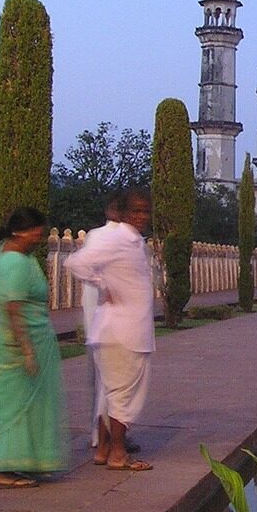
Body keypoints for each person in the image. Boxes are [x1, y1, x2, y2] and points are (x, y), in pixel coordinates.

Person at [0, 207, 65, 489]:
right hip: (10, 344)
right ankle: (6, 470)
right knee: (15, 405)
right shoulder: (14, 262)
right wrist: (27, 350)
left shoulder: (0, 252)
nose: (39, 238)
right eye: (36, 232)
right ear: (19, 232)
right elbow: (13, 308)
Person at [64, 189, 155, 472]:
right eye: (136, 211)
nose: (141, 217)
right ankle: (118, 453)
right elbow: (75, 263)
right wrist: (102, 284)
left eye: (145, 211)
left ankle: (104, 449)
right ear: (123, 213)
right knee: (122, 396)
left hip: (129, 328)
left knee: (112, 393)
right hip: (122, 331)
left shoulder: (133, 241)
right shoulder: (116, 238)